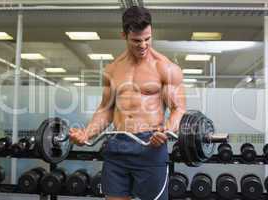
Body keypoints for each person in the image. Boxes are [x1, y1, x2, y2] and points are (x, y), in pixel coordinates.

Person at [70, 6, 186, 200]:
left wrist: (165, 131)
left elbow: (179, 108)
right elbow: (105, 110)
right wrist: (87, 133)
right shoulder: (112, 69)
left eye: (147, 39)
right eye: (136, 40)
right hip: (117, 143)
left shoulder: (165, 67)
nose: (143, 45)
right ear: (124, 35)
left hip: (150, 144)